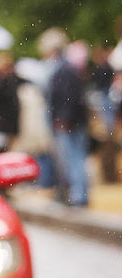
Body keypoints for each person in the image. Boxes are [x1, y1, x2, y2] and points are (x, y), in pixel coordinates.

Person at [38, 28, 90, 206]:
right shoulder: (64, 68)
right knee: (72, 159)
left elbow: (69, 97)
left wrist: (63, 119)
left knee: (74, 159)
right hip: (69, 121)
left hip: (69, 123)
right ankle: (75, 193)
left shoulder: (64, 69)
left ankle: (79, 195)